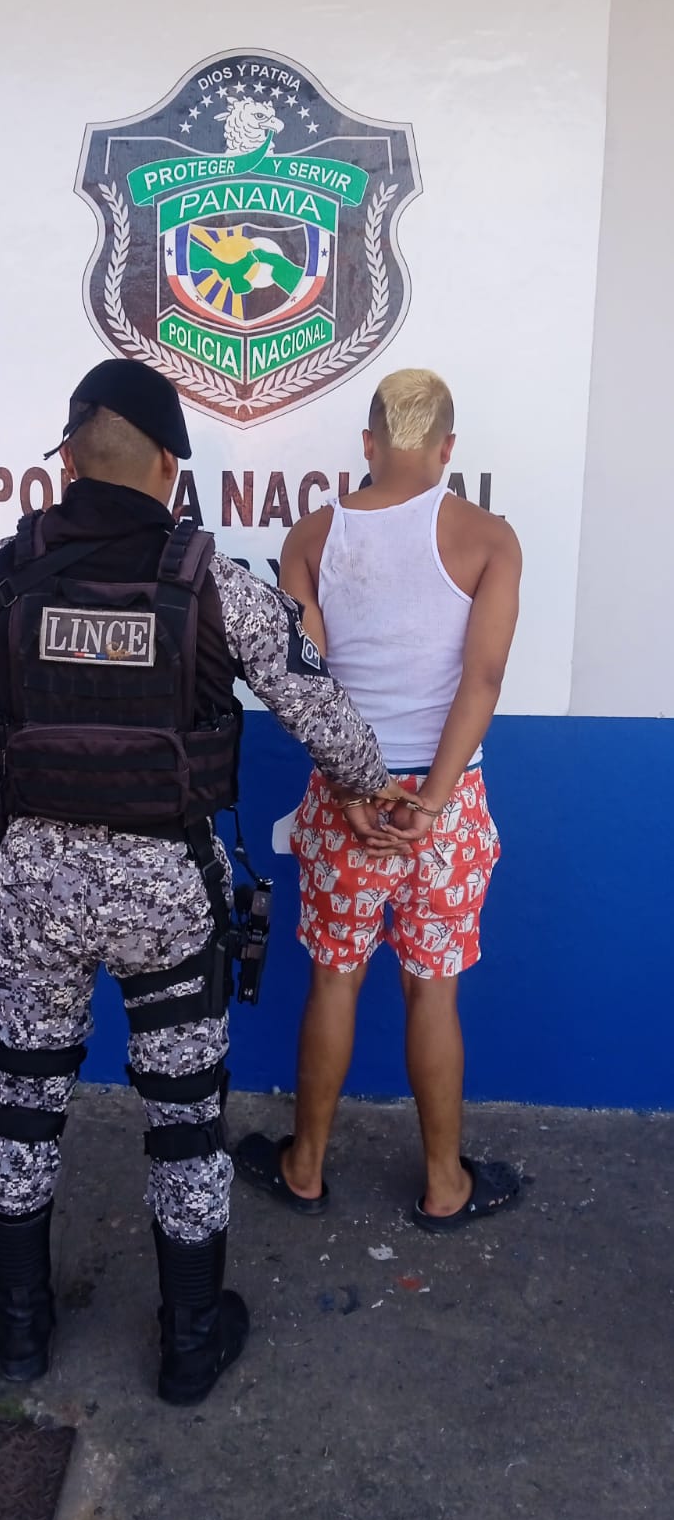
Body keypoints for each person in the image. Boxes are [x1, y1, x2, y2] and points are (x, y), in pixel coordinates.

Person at [0, 358, 420, 1404]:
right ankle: (189, 1343)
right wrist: (370, 787)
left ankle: (19, 1328)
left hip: (35, 890)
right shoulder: (211, 582)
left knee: (23, 1102)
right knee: (184, 1119)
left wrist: (4, 790)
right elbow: (320, 712)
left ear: (68, 461)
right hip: (168, 899)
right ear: (170, 469)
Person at [234, 368, 523, 1231]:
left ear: (368, 442)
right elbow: (484, 678)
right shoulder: (489, 539)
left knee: (335, 980)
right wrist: (430, 803)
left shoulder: (312, 537)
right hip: (447, 804)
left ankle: (305, 1168)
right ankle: (444, 1185)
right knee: (434, 993)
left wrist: (351, 783)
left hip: (345, 802)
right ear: (447, 449)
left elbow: (307, 685)